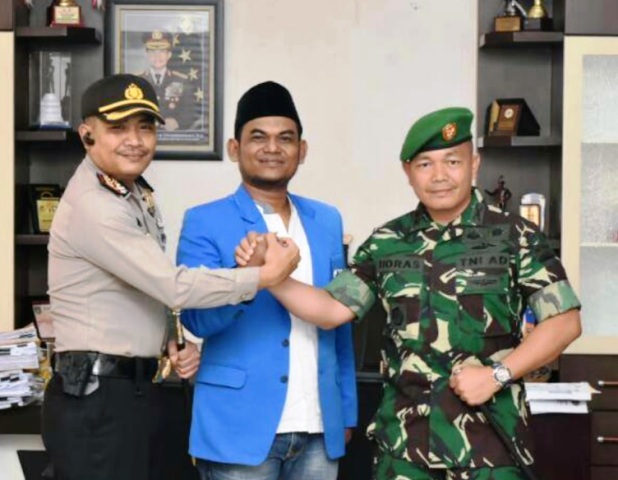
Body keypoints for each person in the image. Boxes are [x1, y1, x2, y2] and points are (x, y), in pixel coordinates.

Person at [237, 107, 583, 480]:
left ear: (474, 164)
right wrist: (270, 277)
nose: (439, 176)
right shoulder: (387, 242)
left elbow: (565, 322)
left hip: (491, 449)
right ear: (408, 172)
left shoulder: (516, 236)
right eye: (424, 164)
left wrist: (497, 374)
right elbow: (331, 309)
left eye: (452, 161)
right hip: (404, 451)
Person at [42, 73, 300, 480]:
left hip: (130, 393)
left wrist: (170, 340)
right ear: (87, 135)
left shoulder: (131, 194)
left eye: (145, 128)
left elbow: (140, 288)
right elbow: (173, 285)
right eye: (118, 128)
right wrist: (261, 276)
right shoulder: (96, 204)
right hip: (98, 400)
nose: (135, 140)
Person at [176, 81, 358, 480]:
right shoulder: (205, 220)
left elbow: (339, 319)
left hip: (318, 425)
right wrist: (251, 277)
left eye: (285, 138)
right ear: (234, 148)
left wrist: (344, 410)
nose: (272, 148)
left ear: (302, 150)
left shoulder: (327, 220)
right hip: (238, 425)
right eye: (258, 137)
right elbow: (196, 320)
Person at [140, 30, 192, 131]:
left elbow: (190, 111)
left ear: (169, 55)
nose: (157, 56)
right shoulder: (137, 81)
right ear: (147, 54)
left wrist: (178, 122)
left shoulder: (182, 81)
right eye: (152, 52)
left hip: (173, 136)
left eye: (162, 51)